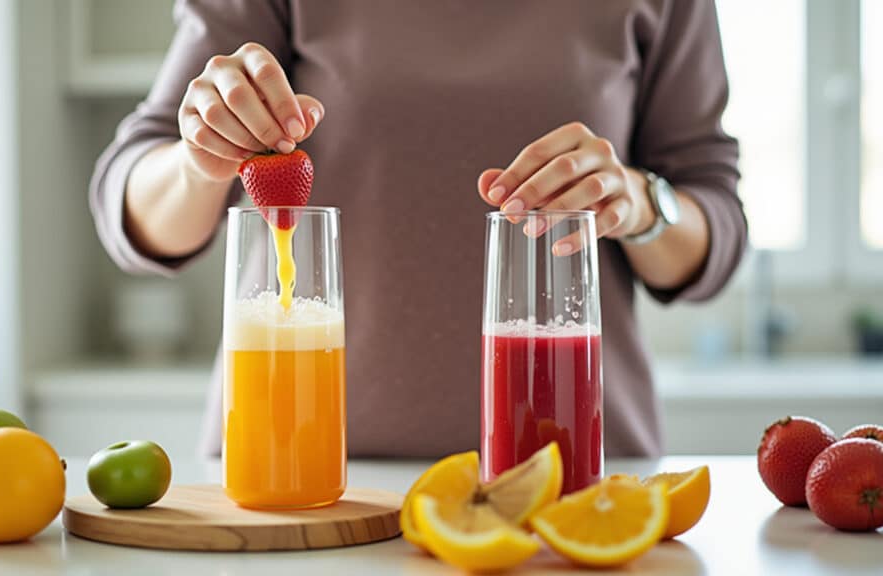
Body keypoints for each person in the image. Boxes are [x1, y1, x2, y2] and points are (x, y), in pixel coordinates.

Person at [90, 0, 745, 458]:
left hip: (566, 467)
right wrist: (198, 161)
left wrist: (639, 202)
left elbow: (713, 229)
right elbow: (132, 201)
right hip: (298, 469)